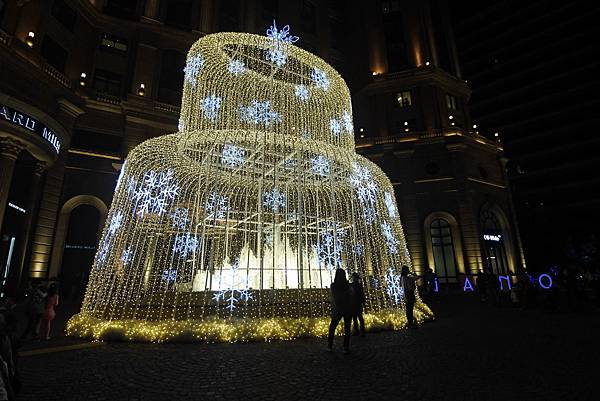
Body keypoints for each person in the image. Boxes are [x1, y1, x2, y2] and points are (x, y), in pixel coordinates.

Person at [327, 269, 352, 353]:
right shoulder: (347, 285)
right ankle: (346, 347)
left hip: (338, 309)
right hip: (347, 309)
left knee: (332, 327)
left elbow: (333, 298)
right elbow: (352, 294)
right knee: (347, 329)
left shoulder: (334, 285)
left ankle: (330, 345)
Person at [350, 272, 366, 337]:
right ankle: (356, 331)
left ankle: (362, 331)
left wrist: (364, 303)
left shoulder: (359, 285)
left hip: (358, 303)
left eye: (354, 277)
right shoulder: (351, 285)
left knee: (360, 318)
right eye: (353, 277)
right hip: (353, 304)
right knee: (354, 318)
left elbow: (362, 295)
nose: (354, 278)